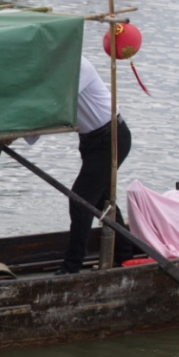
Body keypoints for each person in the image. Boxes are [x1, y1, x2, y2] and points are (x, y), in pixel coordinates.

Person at [56, 56, 134, 275]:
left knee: (79, 199)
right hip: (91, 142)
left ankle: (72, 266)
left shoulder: (79, 65)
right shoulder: (54, 68)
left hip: (111, 138)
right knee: (101, 199)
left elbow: (57, 104)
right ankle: (124, 253)